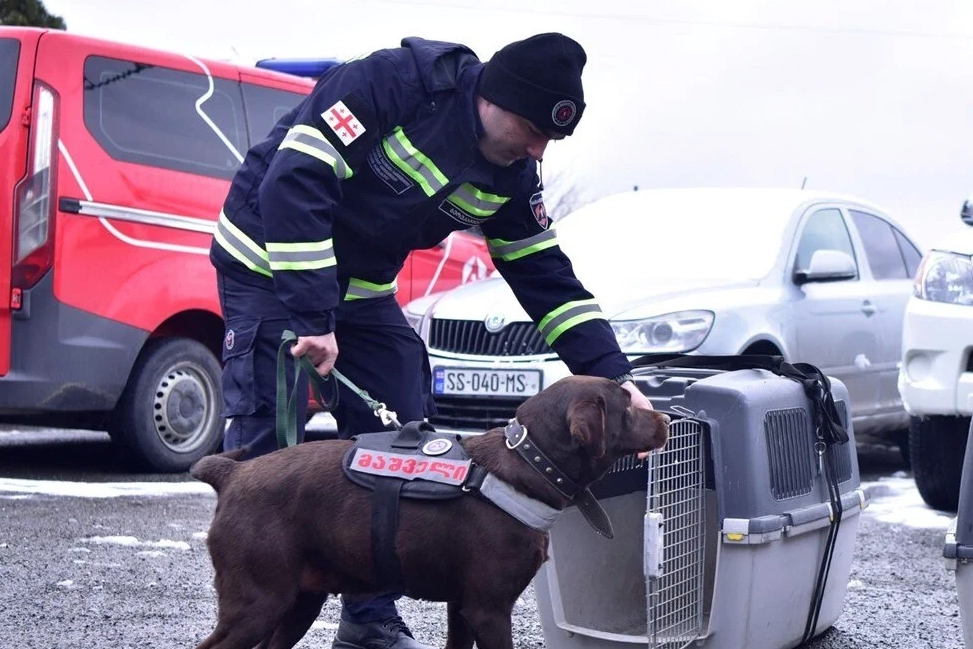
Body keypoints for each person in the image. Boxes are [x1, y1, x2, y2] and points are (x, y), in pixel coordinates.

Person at [210, 32, 654, 649]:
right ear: (492, 99)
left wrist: (616, 377)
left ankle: (367, 617)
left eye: (551, 139)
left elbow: (544, 275)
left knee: (405, 437)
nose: (537, 149)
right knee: (269, 454)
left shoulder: (513, 172)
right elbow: (295, 179)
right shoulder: (391, 85)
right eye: (530, 128)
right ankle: (254, 621)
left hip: (360, 287)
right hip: (271, 262)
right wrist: (312, 314)